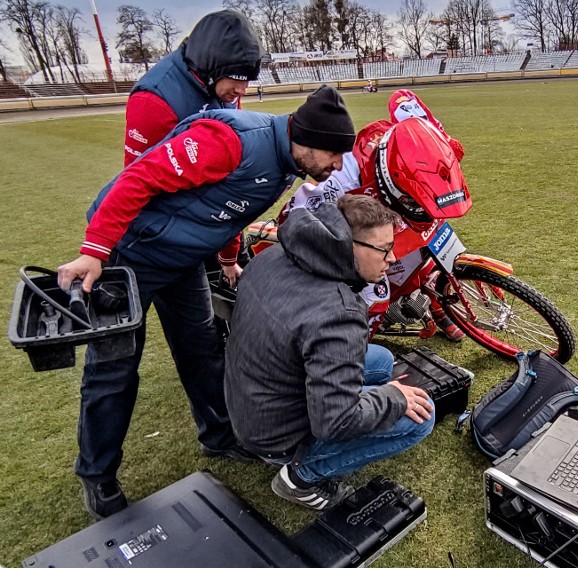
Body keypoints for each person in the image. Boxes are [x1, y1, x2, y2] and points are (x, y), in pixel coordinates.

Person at [56, 85, 357, 520]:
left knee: (203, 350)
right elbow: (138, 177)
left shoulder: (290, 161)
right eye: (335, 155)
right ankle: (97, 475)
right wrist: (94, 250)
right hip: (128, 257)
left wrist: (229, 259)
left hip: (183, 261)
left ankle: (218, 435)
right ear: (306, 139)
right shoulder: (231, 140)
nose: (338, 166)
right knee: (114, 370)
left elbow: (232, 209)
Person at [224, 195, 435, 511]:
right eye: (384, 249)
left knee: (381, 360)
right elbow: (334, 422)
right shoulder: (339, 314)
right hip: (273, 434)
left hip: (248, 400)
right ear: (348, 246)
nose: (392, 258)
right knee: (421, 418)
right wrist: (392, 398)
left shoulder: (277, 254)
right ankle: (301, 476)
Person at [282, 89, 468, 341]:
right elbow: (297, 213)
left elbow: (403, 97)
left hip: (393, 206)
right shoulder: (343, 178)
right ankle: (356, 342)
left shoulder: (416, 125)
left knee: (427, 255)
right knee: (376, 290)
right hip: (359, 223)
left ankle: (436, 304)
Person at [123, 9, 264, 286]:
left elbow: (230, 171)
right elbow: (135, 182)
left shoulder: (225, 89)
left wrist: (228, 249)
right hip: (166, 233)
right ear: (212, 67)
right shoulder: (154, 100)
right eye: (237, 79)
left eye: (248, 80)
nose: (243, 90)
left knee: (240, 296)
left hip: (212, 218)